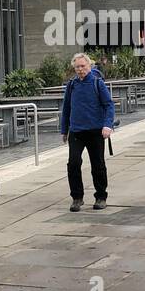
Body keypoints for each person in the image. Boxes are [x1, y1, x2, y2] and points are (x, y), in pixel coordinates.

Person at [60, 52, 115, 211]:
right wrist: (64, 130)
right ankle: (77, 197)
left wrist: (107, 125)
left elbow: (108, 105)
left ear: (89, 66)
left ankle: (100, 196)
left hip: (96, 131)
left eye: (83, 66)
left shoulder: (97, 83)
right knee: (73, 164)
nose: (80, 69)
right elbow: (67, 108)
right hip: (76, 131)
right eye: (77, 67)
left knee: (98, 164)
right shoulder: (72, 85)